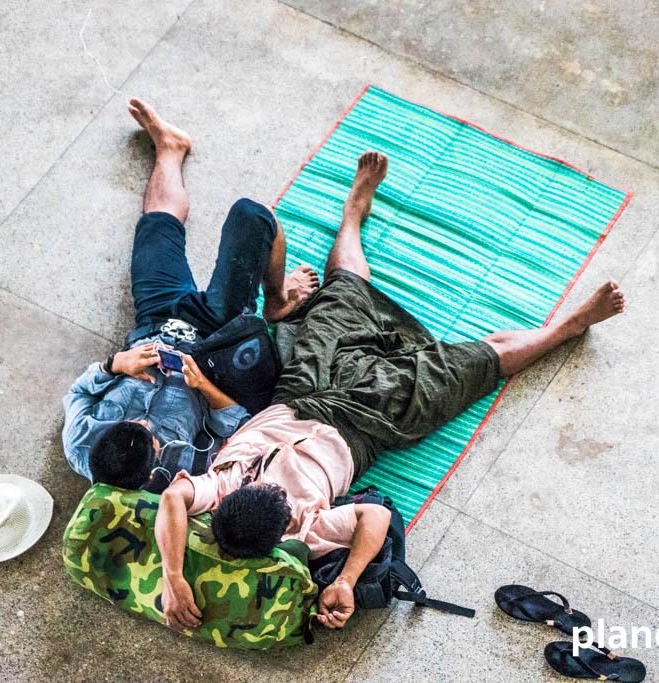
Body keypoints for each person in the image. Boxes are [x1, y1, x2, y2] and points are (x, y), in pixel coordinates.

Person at [155, 151, 627, 631]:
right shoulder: (304, 529)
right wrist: (346, 580)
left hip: (300, 390)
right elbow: (372, 519)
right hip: (368, 423)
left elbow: (174, 498)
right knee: (477, 364)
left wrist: (174, 575)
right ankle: (564, 330)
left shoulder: (222, 490)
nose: (269, 486)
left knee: (342, 296)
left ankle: (353, 212)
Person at [62, 99, 318, 492]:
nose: (146, 422)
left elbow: (79, 392)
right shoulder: (182, 473)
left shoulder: (81, 444)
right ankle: (278, 300)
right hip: (212, 340)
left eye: (131, 423)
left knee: (155, 227)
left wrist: (117, 364)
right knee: (252, 217)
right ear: (153, 467)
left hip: (153, 321)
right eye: (151, 434)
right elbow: (236, 427)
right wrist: (202, 386)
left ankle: (171, 148)